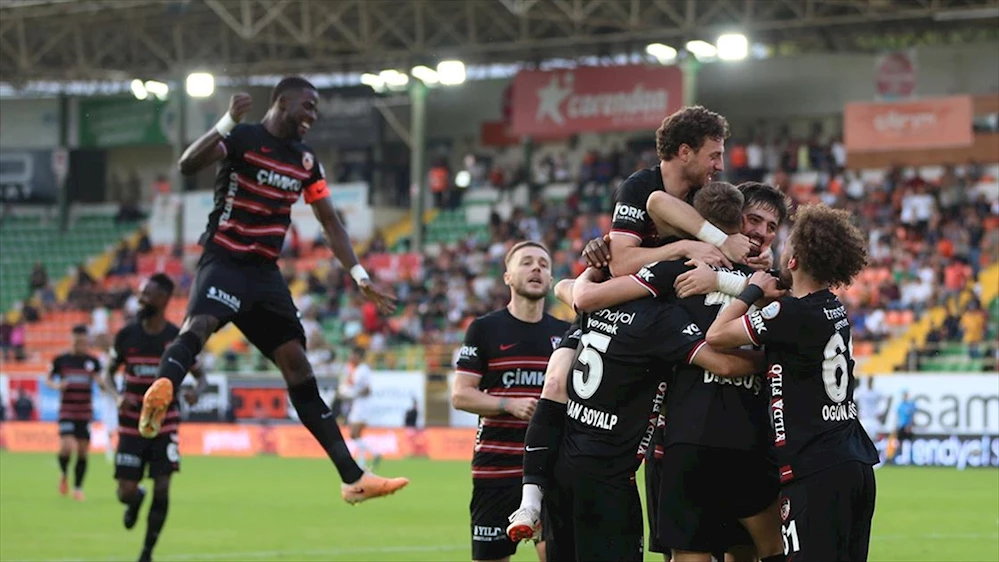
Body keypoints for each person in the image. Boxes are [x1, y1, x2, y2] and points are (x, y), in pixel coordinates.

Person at [139, 77, 406, 504]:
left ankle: (353, 477)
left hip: (265, 276)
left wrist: (359, 275)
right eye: (308, 105)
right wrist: (227, 121)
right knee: (201, 325)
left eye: (316, 109)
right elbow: (188, 165)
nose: (313, 115)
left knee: (298, 366)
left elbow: (330, 222)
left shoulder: (305, 161)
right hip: (225, 260)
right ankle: (162, 388)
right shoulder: (242, 138)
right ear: (282, 101)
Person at [509, 106, 757, 558]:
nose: (720, 165)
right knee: (558, 377)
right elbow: (623, 259)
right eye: (714, 154)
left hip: (639, 319)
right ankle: (531, 498)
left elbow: (665, 216)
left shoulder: (699, 197)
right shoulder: (641, 187)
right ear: (685, 151)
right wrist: (689, 248)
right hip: (630, 308)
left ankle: (551, 502)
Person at [567, 182, 790, 562]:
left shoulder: (768, 282)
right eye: (754, 220)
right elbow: (656, 204)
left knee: (745, 552)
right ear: (734, 219)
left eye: (771, 227)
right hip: (694, 438)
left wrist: (720, 280)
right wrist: (597, 261)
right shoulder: (687, 272)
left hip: (734, 438)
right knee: (735, 551)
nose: (761, 232)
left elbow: (795, 308)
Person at [544, 266, 764, 562]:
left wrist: (589, 275)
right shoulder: (662, 318)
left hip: (567, 459)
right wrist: (774, 357)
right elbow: (723, 365)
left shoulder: (596, 304)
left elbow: (565, 288)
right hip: (615, 472)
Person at [706, 204, 879, 561]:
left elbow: (717, 335)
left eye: (787, 245)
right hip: (853, 464)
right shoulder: (832, 308)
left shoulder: (790, 314)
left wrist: (750, 291)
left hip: (816, 470)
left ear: (795, 260)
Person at [451, 241, 570, 562]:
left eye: (543, 264)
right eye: (526, 262)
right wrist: (509, 405)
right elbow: (461, 394)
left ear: (550, 279)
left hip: (551, 470)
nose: (536, 268)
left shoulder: (567, 333)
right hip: (496, 470)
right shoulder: (484, 329)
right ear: (508, 277)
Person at [104, 275, 207, 562]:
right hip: (130, 423)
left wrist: (195, 392)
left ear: (163, 299)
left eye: (146, 295)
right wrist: (117, 397)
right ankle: (135, 499)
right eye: (140, 294)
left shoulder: (178, 339)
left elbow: (202, 377)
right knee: (124, 492)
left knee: (162, 487)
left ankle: (147, 552)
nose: (140, 300)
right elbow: (107, 374)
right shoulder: (126, 335)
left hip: (165, 423)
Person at [45, 324, 103, 500]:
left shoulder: (92, 361)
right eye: (78, 342)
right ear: (72, 340)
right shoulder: (61, 360)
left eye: (84, 342)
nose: (81, 345)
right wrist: (57, 386)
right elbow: (48, 380)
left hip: (85, 412)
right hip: (67, 410)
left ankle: (77, 488)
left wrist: (102, 384)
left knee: (83, 451)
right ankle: (64, 473)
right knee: (67, 447)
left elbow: (100, 380)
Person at [338, 346, 378, 470]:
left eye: (353, 355)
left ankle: (373, 454)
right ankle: (364, 462)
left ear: (358, 357)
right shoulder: (356, 370)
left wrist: (352, 394)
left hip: (362, 406)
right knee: (356, 435)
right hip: (357, 405)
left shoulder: (363, 370)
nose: (350, 358)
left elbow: (367, 390)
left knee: (354, 434)